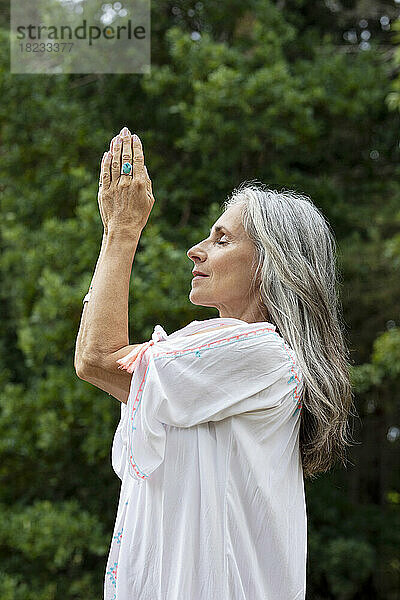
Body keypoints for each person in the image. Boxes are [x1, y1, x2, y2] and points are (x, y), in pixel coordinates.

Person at [74, 126, 355, 600]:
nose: (196, 250)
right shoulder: (215, 360)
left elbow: (97, 359)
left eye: (222, 239)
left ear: (272, 263)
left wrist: (121, 231)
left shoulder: (264, 356)